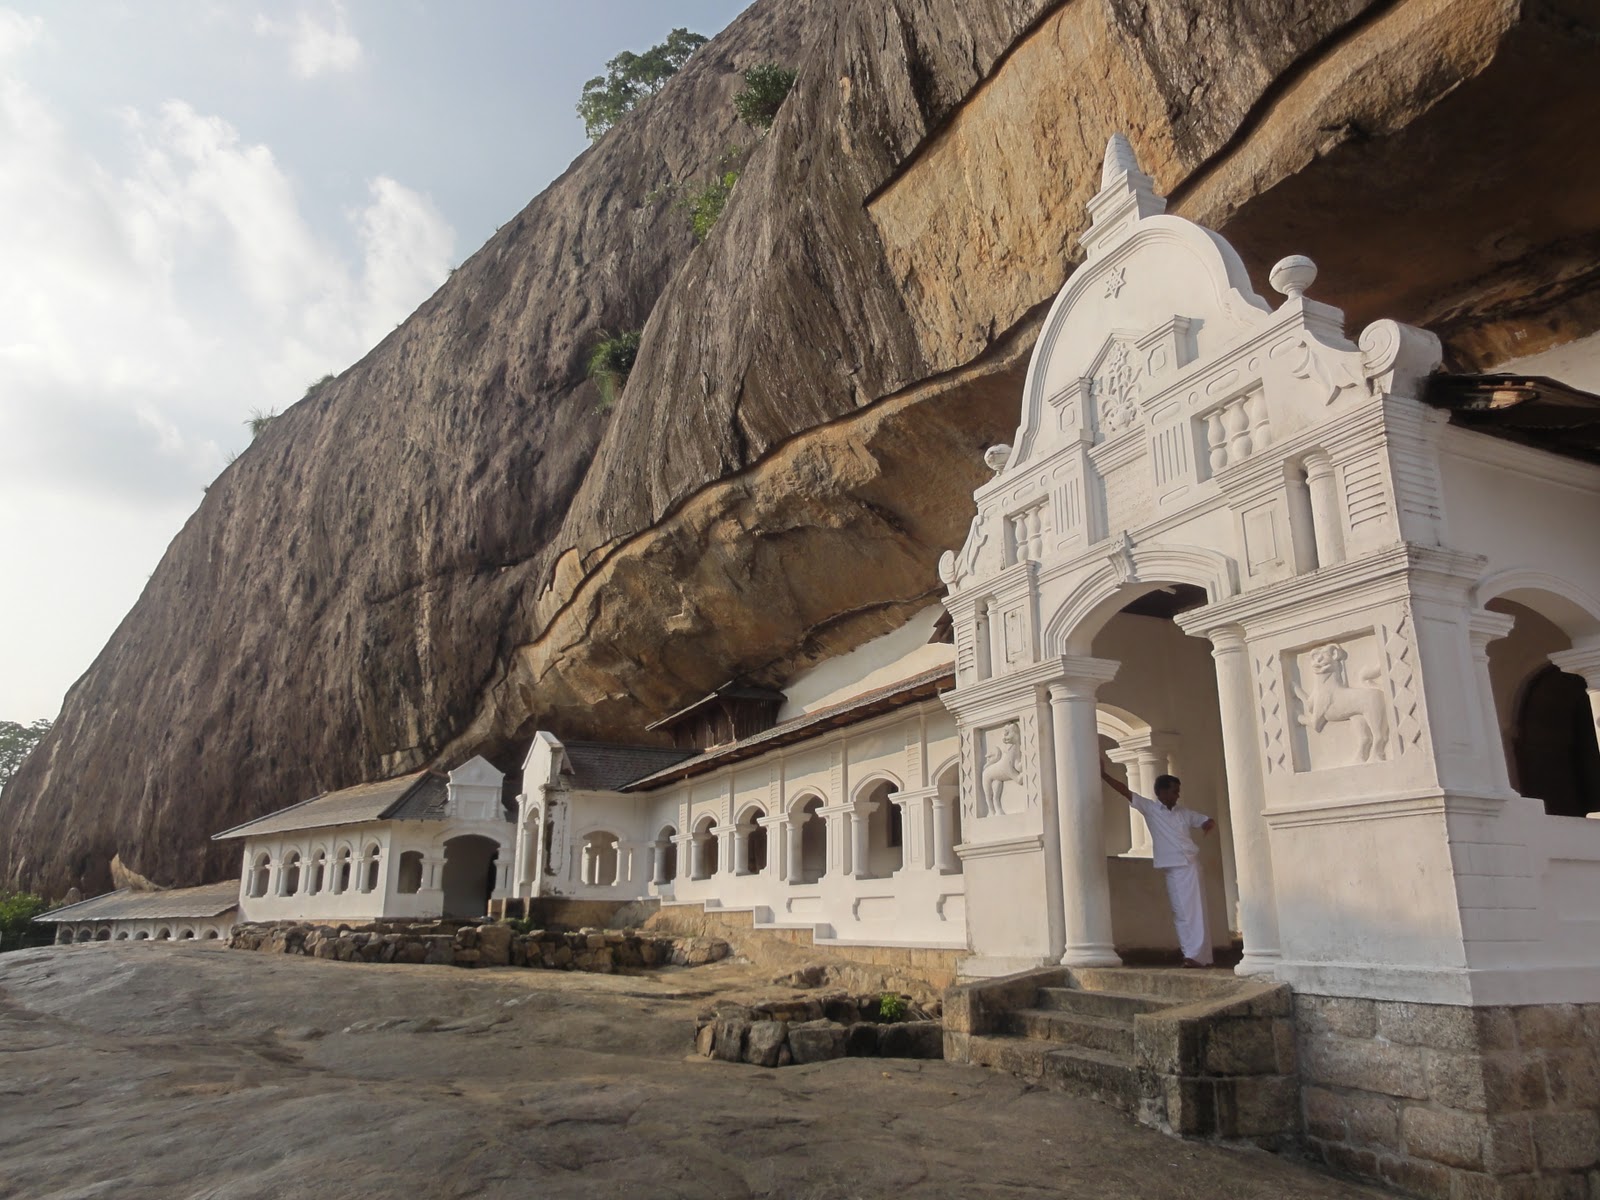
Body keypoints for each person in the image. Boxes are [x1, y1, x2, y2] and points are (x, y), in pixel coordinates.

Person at [1101, 769, 1216, 968]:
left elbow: (1205, 820)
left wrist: (1208, 824)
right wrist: (1104, 775)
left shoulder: (1184, 812)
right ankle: (1190, 954)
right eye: (1174, 791)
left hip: (1191, 865)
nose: (1177, 795)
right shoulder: (1150, 809)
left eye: (1178, 791)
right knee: (1181, 912)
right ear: (1161, 793)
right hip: (1173, 868)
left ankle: (1201, 957)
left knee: (1198, 911)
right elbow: (1125, 791)